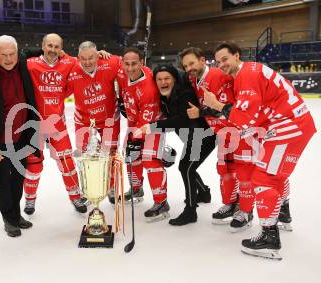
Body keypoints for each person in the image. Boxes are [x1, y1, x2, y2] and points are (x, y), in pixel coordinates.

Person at [204, 42, 316, 260]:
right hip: (293, 124)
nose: (222, 64)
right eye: (218, 62)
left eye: (225, 59)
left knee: (264, 178)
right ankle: (283, 213)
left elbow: (244, 118)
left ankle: (269, 237)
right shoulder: (252, 70)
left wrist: (216, 105)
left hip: (288, 126)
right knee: (275, 173)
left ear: (237, 55)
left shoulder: (246, 74)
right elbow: (257, 113)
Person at [180, 47, 255, 231]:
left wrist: (201, 112)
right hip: (221, 133)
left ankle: (246, 211)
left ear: (203, 60)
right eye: (185, 66)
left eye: (192, 63)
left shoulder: (219, 76)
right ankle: (230, 204)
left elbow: (231, 108)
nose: (189, 68)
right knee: (225, 170)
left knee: (244, 173)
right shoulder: (194, 78)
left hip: (239, 132)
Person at [134, 63, 216, 225]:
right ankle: (204, 192)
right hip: (190, 135)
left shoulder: (184, 93)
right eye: (159, 79)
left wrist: (152, 127)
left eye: (167, 78)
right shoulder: (163, 95)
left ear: (174, 79)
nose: (163, 82)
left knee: (186, 167)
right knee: (189, 166)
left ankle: (190, 212)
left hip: (202, 135)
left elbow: (183, 118)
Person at [0, 35, 37, 237]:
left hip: (21, 138)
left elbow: (35, 52)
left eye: (12, 54)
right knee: (2, 183)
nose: (9, 59)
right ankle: (9, 219)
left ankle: (16, 214)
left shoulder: (21, 64)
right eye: (4, 55)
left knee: (18, 180)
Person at [23, 33, 88, 215]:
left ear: (61, 49)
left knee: (67, 163)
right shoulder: (30, 64)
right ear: (42, 46)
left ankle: (76, 197)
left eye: (57, 47)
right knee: (33, 165)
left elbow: (87, 58)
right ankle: (29, 200)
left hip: (57, 125)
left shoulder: (69, 63)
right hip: (34, 125)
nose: (52, 50)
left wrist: (102, 53)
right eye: (49, 45)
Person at [116, 47, 170, 222]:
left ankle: (161, 202)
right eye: (127, 64)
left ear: (142, 63)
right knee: (130, 158)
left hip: (152, 125)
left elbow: (146, 122)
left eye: (134, 64)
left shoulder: (149, 88)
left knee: (150, 159)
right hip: (134, 123)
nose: (130, 68)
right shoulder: (122, 72)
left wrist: (135, 141)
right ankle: (137, 189)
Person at [66, 41, 122, 203]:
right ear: (78, 58)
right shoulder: (72, 69)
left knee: (111, 153)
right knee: (85, 157)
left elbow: (131, 62)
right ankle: (88, 190)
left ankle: (111, 187)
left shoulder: (110, 62)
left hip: (109, 119)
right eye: (83, 59)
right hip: (83, 121)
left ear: (98, 55)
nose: (87, 62)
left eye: (91, 57)